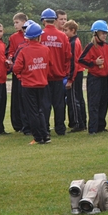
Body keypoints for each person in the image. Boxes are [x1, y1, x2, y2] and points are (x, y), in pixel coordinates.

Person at [13, 22, 51, 145]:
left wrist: (21, 75)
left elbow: (16, 68)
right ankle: (45, 135)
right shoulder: (46, 49)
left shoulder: (24, 51)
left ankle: (38, 137)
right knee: (40, 110)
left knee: (32, 112)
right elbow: (49, 66)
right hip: (42, 84)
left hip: (28, 85)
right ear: (39, 36)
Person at [80, 20, 108, 135]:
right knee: (94, 103)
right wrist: (94, 62)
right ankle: (93, 128)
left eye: (106, 33)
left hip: (105, 78)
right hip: (94, 78)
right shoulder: (91, 46)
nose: (105, 35)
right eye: (103, 33)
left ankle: (101, 126)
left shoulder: (106, 46)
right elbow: (81, 60)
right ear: (96, 33)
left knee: (104, 102)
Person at [39, 8, 70, 136]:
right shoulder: (62, 36)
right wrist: (65, 72)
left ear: (43, 21)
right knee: (59, 104)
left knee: (45, 105)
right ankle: (60, 128)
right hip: (58, 76)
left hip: (44, 76)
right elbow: (68, 56)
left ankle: (45, 128)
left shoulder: (40, 35)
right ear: (55, 20)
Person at [63, 20, 87, 133]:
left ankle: (78, 123)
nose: (64, 32)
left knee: (73, 99)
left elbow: (73, 61)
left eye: (66, 30)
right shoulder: (76, 40)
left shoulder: (73, 43)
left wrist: (70, 79)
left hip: (75, 73)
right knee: (79, 98)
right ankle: (83, 121)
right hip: (79, 71)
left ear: (73, 30)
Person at [7, 13, 28, 133]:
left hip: (28, 71)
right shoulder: (13, 37)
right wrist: (10, 58)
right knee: (17, 98)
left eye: (17, 22)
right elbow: (11, 51)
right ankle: (18, 123)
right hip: (17, 71)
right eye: (14, 23)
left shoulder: (30, 34)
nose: (15, 25)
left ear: (24, 22)